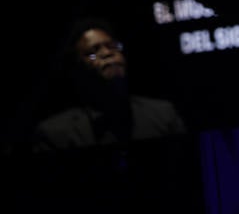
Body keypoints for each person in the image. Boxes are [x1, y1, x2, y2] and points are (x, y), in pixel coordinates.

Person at [32, 16, 187, 152]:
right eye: (93, 52)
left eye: (112, 46)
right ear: (76, 67)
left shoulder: (163, 115)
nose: (107, 53)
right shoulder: (56, 133)